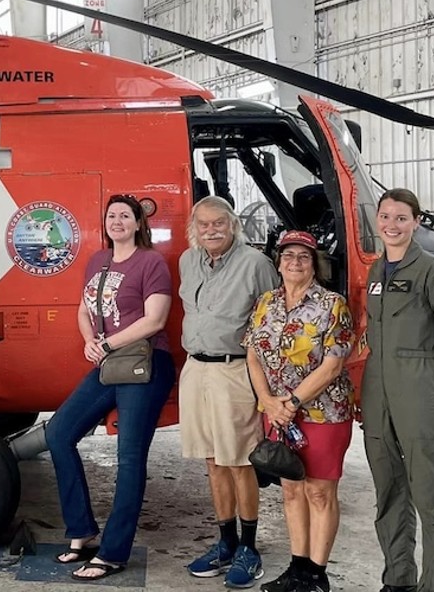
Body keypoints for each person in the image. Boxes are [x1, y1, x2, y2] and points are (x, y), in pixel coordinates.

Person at [46, 194, 176, 582]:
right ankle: (83, 531)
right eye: (111, 215)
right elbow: (84, 309)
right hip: (110, 363)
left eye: (125, 215)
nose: (117, 221)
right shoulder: (96, 262)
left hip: (147, 363)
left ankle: (114, 553)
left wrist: (105, 344)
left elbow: (155, 319)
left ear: (138, 223)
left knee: (129, 457)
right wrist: (89, 340)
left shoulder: (151, 262)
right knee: (58, 432)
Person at [363, 189, 434, 592]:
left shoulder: (433, 271)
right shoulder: (377, 272)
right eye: (385, 216)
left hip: (419, 384)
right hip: (378, 389)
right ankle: (398, 579)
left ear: (415, 222)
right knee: (388, 489)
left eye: (401, 218)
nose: (392, 225)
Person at [246, 231, 357, 592]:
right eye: (288, 255)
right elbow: (253, 353)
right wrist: (267, 400)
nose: (295, 262)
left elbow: (333, 365)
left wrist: (291, 402)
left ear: (315, 263)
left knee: (320, 493)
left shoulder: (332, 304)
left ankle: (316, 575)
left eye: (303, 257)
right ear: (278, 262)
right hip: (277, 413)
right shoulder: (266, 303)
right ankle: (296, 569)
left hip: (322, 414)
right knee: (291, 491)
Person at [178, 196, 279, 587]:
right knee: (213, 461)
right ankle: (225, 542)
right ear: (194, 228)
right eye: (203, 224)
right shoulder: (188, 261)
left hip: (234, 370)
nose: (212, 230)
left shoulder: (256, 265)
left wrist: (268, 388)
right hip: (196, 369)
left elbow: (272, 322)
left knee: (239, 461)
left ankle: (249, 549)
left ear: (233, 224)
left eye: (219, 223)